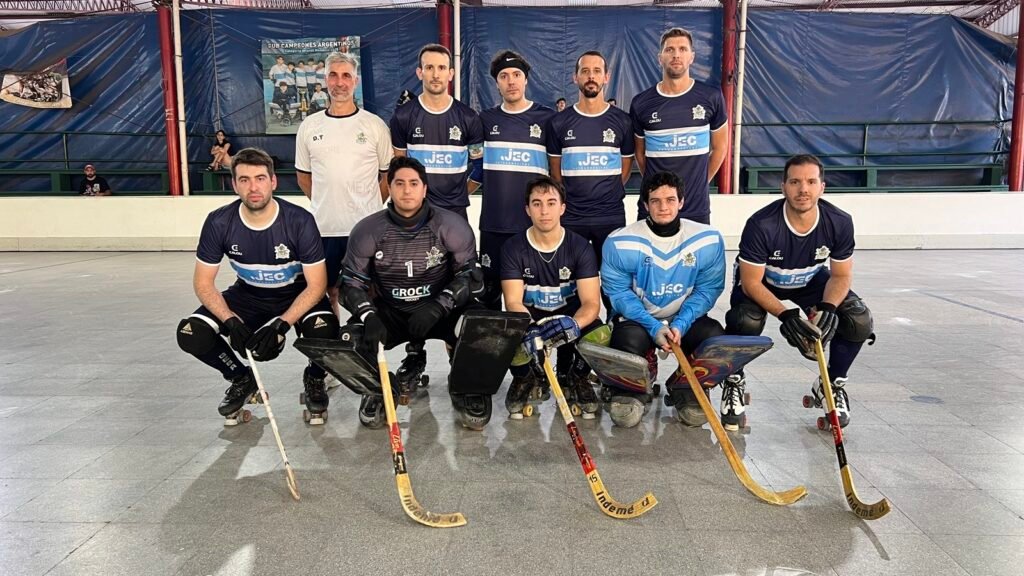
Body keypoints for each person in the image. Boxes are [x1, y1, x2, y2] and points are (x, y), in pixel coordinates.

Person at [174, 147, 339, 425]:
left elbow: (317, 285)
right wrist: (231, 321)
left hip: (296, 292)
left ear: (273, 182)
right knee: (190, 332)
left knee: (326, 328)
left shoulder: (299, 220)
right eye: (244, 180)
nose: (253, 187)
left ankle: (315, 377)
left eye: (260, 178)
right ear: (234, 184)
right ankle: (241, 379)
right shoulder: (219, 221)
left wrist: (281, 326)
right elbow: (203, 283)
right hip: (248, 293)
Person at [339, 156, 488, 429]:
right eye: (399, 183)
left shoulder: (451, 225)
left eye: (413, 183)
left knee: (481, 324)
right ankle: (377, 388)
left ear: (424, 188)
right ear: (389, 187)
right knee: (351, 337)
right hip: (392, 312)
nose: (406, 190)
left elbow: (471, 278)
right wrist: (369, 315)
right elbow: (350, 284)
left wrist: (440, 305)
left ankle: (468, 385)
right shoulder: (368, 230)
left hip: (439, 310)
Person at [726, 154, 873, 429]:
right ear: (783, 187)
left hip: (810, 279)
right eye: (795, 182)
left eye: (810, 182)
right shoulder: (761, 224)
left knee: (858, 319)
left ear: (822, 187)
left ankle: (832, 384)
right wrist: (786, 315)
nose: (803, 189)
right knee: (745, 320)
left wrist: (828, 308)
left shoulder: (839, 221)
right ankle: (734, 380)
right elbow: (752, 283)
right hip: (764, 280)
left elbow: (841, 275)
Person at [600, 171, 726, 428]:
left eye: (670, 200)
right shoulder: (619, 241)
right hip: (640, 320)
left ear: (681, 202)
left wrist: (681, 323)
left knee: (712, 334)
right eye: (655, 201)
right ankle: (633, 388)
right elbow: (619, 294)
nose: (663, 207)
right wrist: (654, 327)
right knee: (625, 338)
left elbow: (708, 290)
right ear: (645, 205)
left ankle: (686, 386)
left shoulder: (707, 239)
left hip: (683, 318)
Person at [295, 51, 393, 318]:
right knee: (328, 291)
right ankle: (333, 341)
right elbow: (303, 177)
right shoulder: (309, 126)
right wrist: (326, 201)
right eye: (333, 75)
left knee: (368, 291)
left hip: (365, 229)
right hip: (324, 228)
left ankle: (368, 339)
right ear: (325, 79)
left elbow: (388, 175)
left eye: (346, 76)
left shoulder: (374, 125)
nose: (340, 82)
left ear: (355, 81)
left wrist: (371, 205)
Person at [501, 176, 602, 419]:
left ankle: (576, 377)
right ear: (528, 209)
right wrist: (530, 329)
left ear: (562, 207)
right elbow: (512, 301)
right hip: (532, 319)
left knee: (601, 334)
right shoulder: (513, 248)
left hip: (568, 319)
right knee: (505, 333)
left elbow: (591, 303)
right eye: (537, 204)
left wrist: (574, 324)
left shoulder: (580, 247)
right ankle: (526, 378)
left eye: (551, 203)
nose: (544, 211)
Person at [477, 50, 556, 310]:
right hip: (494, 225)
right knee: (489, 295)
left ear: (525, 80)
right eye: (504, 76)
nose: (511, 81)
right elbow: (475, 168)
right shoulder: (485, 120)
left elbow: (557, 170)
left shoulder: (547, 119)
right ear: (496, 83)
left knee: (532, 297)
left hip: (533, 225)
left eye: (516, 75)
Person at [547, 50, 634, 274]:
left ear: (606, 77)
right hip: (572, 216)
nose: (591, 76)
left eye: (597, 71)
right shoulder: (559, 122)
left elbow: (625, 169)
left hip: (610, 215)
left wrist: (608, 192)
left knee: (613, 279)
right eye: (585, 71)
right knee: (572, 278)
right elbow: (556, 173)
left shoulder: (623, 121)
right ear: (575, 77)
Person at [630, 27, 728, 225]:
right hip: (655, 208)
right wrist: (657, 186)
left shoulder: (711, 97)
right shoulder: (641, 103)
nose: (676, 55)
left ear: (692, 57)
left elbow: (720, 147)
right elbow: (640, 153)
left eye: (683, 49)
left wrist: (700, 183)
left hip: (696, 206)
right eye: (670, 50)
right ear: (660, 58)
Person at [389, 43, 484, 221]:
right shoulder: (403, 116)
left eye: (441, 68)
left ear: (451, 74)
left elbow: (480, 169)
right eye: (429, 68)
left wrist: (461, 194)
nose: (435, 75)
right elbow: (399, 169)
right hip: (415, 213)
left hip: (455, 214)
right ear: (420, 73)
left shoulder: (469, 117)